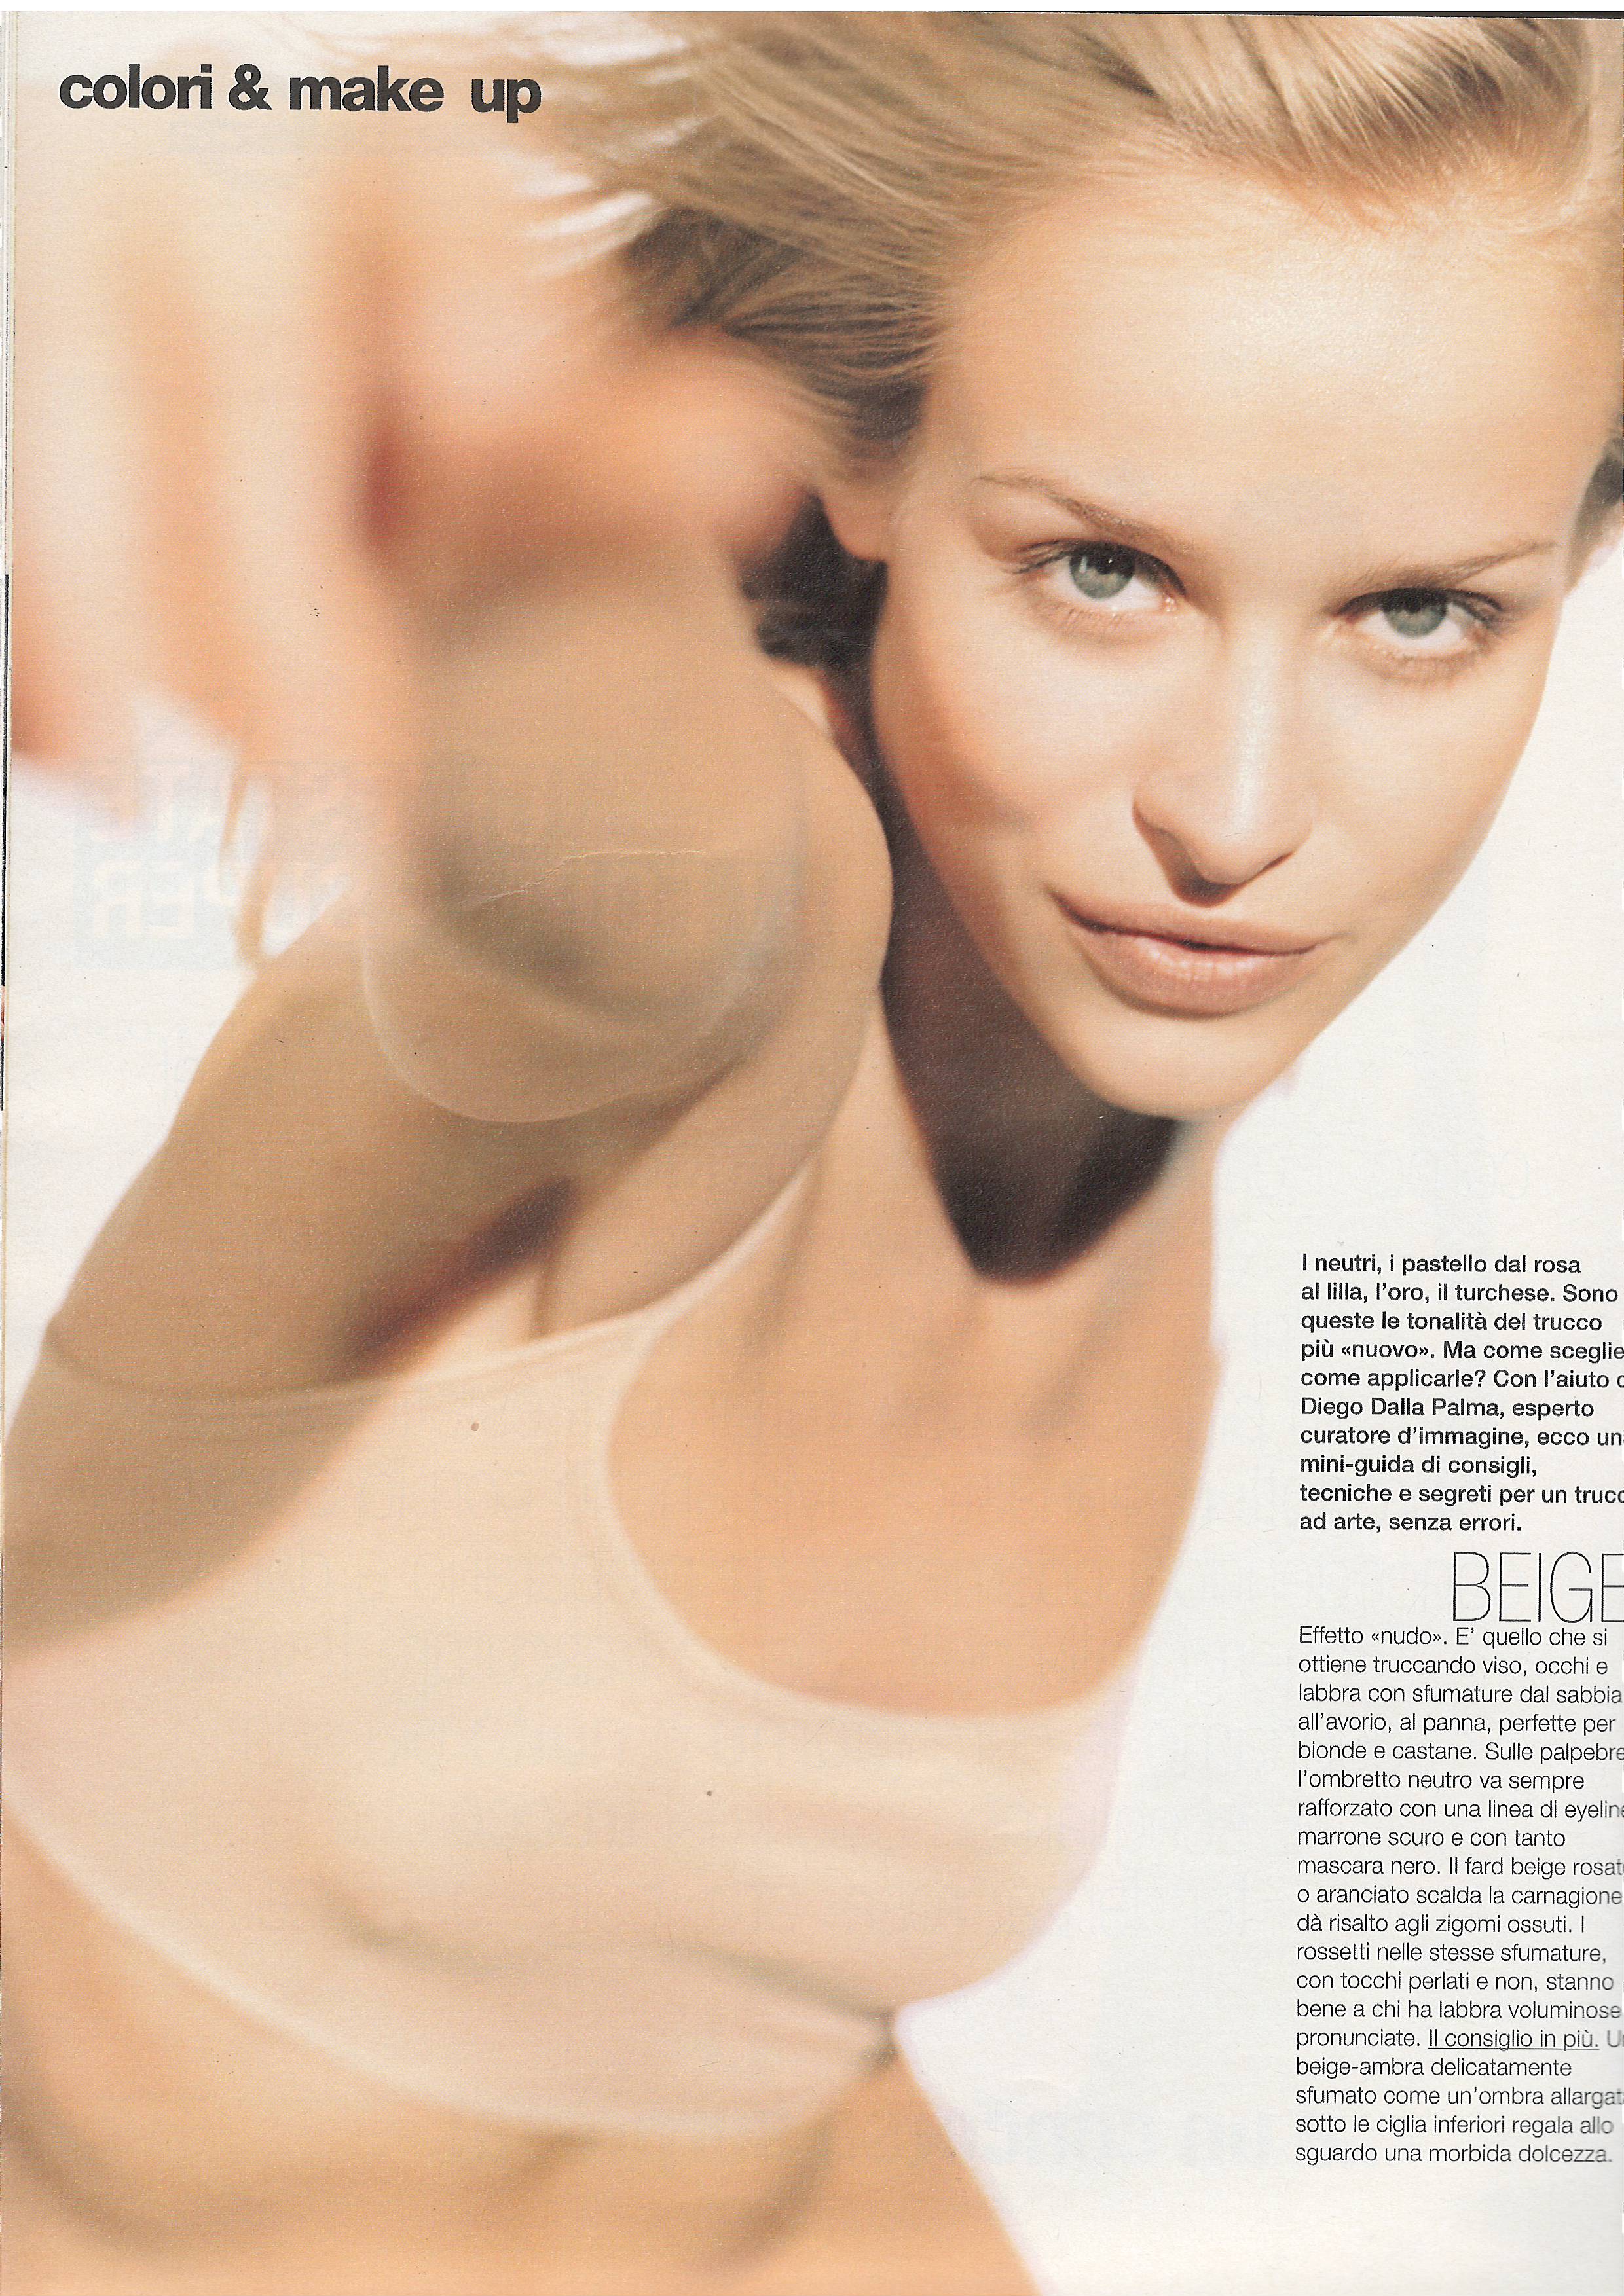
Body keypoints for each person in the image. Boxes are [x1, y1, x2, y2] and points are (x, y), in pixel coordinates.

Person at [6, 14, 1620, 2294]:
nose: (1239, 814)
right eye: (1105, 571)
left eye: (1421, 613)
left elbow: (760, 2051)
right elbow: (619, 875)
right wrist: (461, 493)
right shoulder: (742, 952)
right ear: (858, 454)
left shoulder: (1140, 1038)